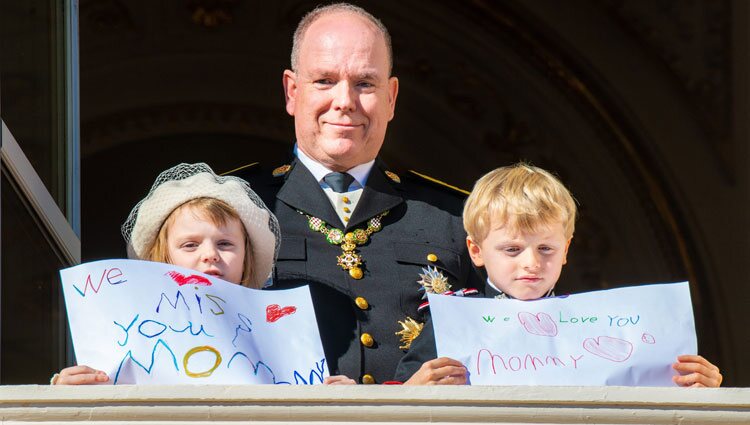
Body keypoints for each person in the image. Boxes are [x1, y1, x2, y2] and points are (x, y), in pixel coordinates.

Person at [230, 3, 483, 384]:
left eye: (365, 83)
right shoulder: (232, 208)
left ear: (391, 97)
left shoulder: (454, 217)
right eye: (324, 81)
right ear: (292, 91)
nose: (345, 101)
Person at [394, 163, 723, 387]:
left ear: (566, 250)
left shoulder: (601, 323)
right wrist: (414, 389)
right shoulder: (452, 323)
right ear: (476, 251)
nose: (531, 263)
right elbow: (389, 408)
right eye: (512, 249)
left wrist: (699, 387)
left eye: (546, 249)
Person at [51, 162, 282, 385]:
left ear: (246, 258)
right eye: (190, 245)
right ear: (162, 258)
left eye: (224, 244)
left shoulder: (275, 335)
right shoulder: (125, 333)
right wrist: (68, 393)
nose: (210, 254)